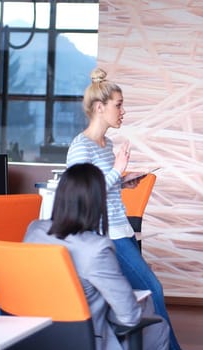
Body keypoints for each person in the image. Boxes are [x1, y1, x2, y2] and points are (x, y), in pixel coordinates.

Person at [66, 67, 181, 350]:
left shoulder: (107, 145)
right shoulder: (81, 147)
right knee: (153, 290)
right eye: (118, 105)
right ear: (99, 107)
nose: (123, 111)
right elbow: (82, 195)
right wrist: (117, 172)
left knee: (140, 295)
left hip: (121, 230)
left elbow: (103, 186)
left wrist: (123, 181)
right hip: (107, 235)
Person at [24, 163, 169, 350]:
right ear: (98, 202)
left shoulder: (34, 230)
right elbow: (129, 316)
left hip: (36, 334)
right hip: (84, 338)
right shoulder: (96, 248)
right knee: (157, 326)